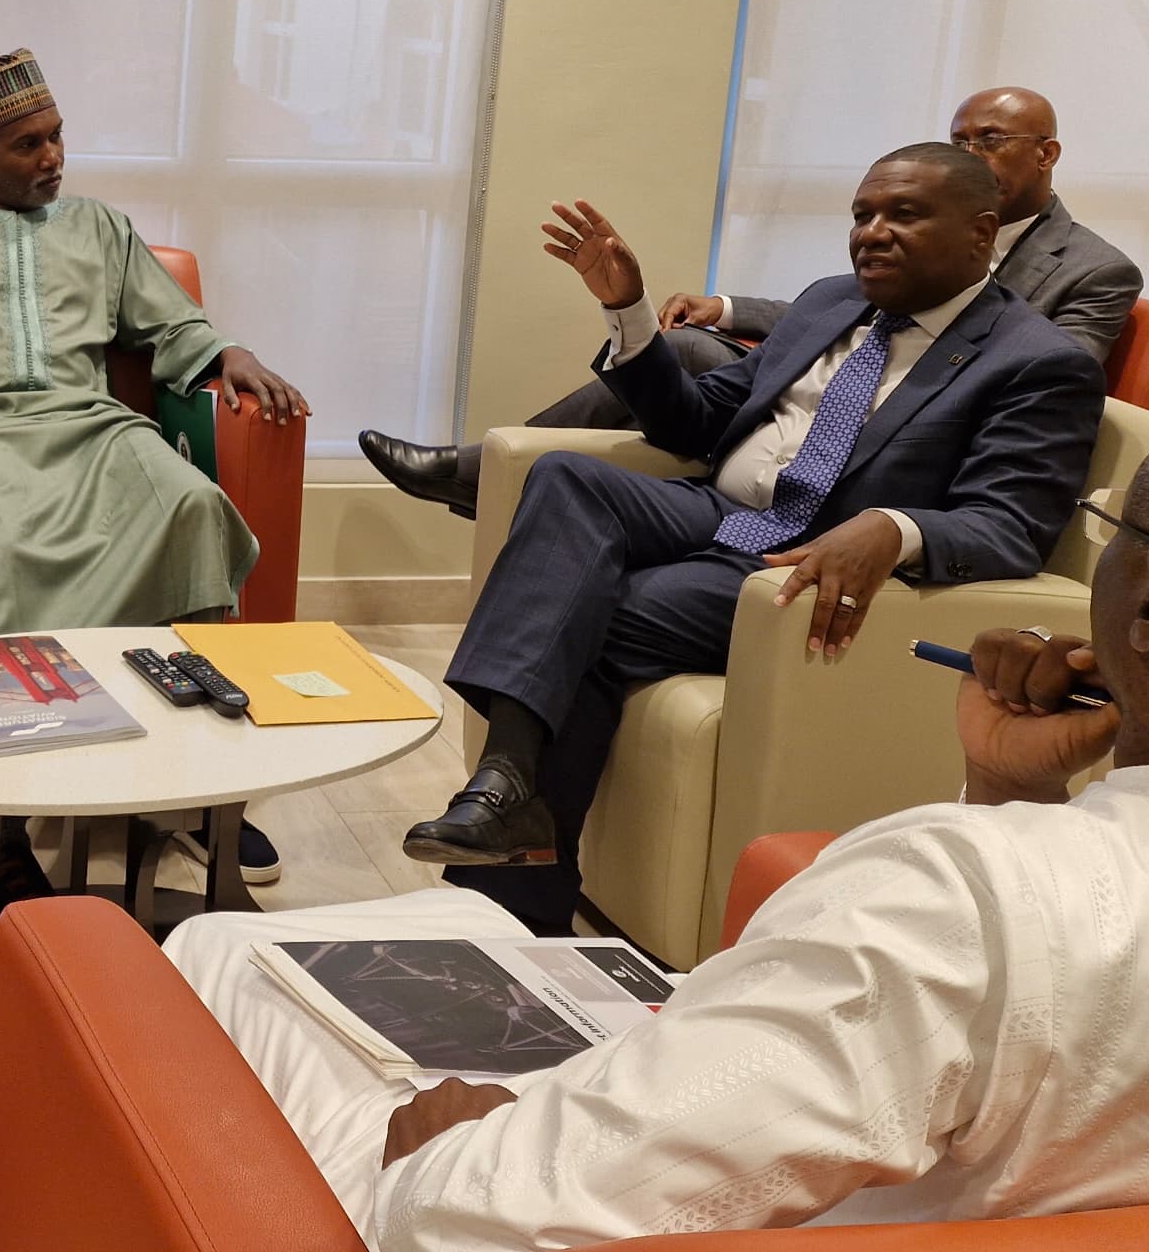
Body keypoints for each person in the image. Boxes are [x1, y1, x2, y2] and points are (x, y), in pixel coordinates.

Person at [166, 364, 1149, 1248]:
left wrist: (449, 1151)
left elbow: (487, 1222)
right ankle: (517, 816)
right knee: (457, 919)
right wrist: (1012, 794)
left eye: (1112, 528)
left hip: (538, 1202)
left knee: (219, 951)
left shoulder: (954, 903)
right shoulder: (1022, 894)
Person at [402, 143, 1102, 933]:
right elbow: (697, 421)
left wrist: (892, 526)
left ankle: (510, 883)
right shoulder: (830, 303)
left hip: (800, 560)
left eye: (904, 215)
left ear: (980, 232)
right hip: (720, 511)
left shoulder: (1037, 362)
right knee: (565, 475)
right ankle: (505, 790)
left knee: (598, 612)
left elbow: (1010, 524)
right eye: (863, 214)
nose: (873, 232)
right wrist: (628, 311)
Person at [0, 49, 307, 885]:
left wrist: (229, 353)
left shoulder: (98, 226)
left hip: (93, 425)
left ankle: (193, 790)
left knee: (192, 505)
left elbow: (172, 327)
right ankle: (3, 818)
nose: (53, 157)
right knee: (5, 547)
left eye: (56, 136)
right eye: (28, 145)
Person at [360, 86, 1141, 515]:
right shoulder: (895, 236)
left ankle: (479, 470)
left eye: (989, 140)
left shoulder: (1095, 270)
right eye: (960, 138)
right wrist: (729, 307)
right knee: (681, 359)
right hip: (832, 404)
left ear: (1046, 154)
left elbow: (1047, 361)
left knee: (684, 354)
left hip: (914, 435)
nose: (968, 152)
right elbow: (845, 310)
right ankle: (500, 470)